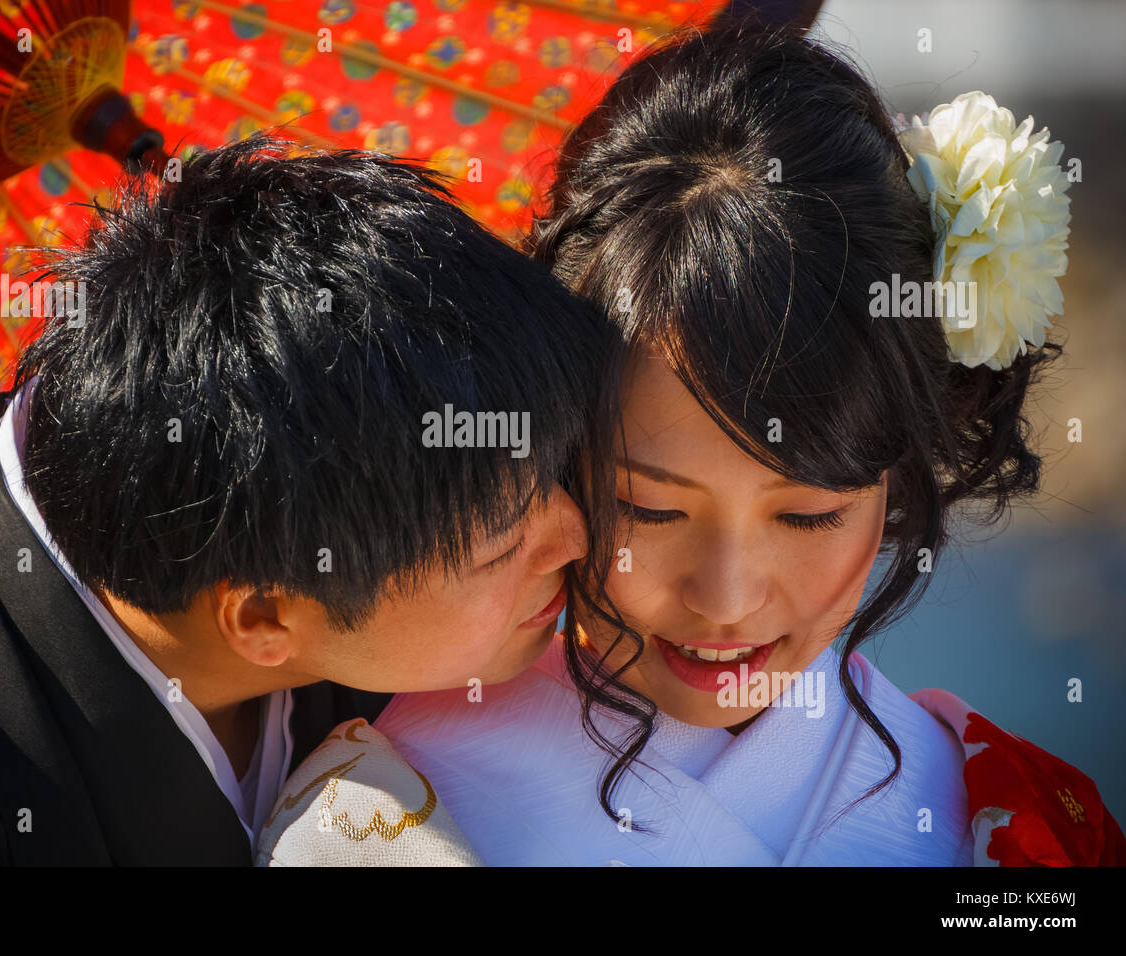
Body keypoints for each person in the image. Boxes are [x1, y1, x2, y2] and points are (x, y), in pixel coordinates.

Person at [260, 22, 1124, 866]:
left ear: (898, 474)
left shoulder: (1031, 829)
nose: (724, 599)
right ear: (561, 449)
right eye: (651, 505)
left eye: (810, 515)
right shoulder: (372, 818)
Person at [0, 134, 614, 864]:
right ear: (265, 618)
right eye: (503, 546)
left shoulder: (323, 533)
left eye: (555, 473)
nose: (579, 535)